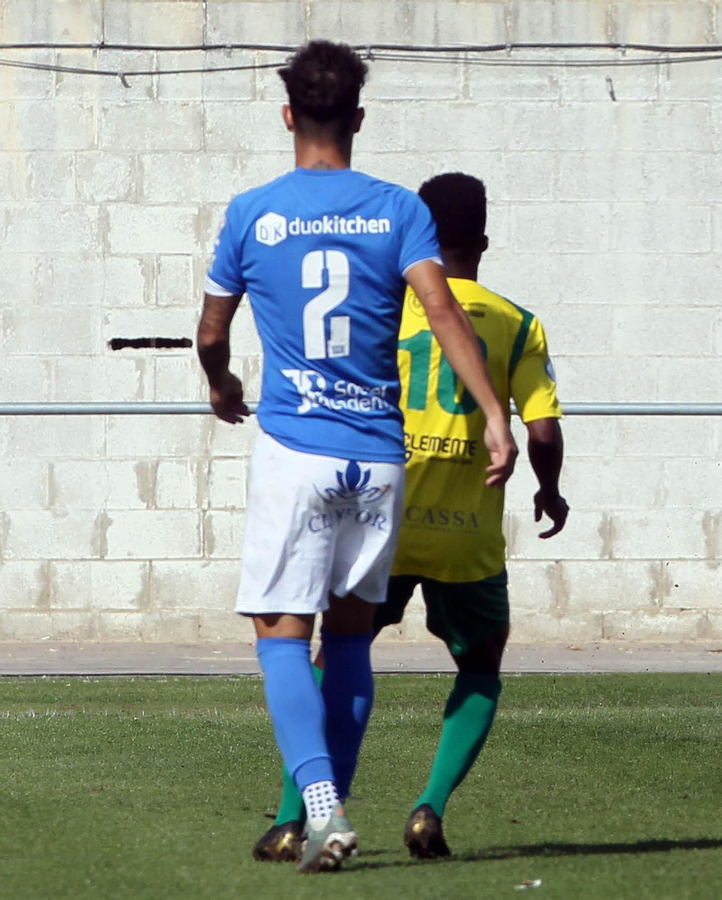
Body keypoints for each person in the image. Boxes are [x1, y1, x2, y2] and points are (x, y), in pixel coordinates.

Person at [199, 41, 515, 873]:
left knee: (278, 635)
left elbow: (210, 332)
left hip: (296, 450)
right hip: (378, 458)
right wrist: (494, 415)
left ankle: (323, 807)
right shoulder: (397, 211)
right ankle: (327, 810)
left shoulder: (251, 212)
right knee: (346, 643)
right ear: (359, 119)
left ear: (288, 115)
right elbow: (444, 312)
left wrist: (222, 382)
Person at [252, 172, 568, 862]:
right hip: (468, 535)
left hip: (383, 519)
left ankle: (290, 819)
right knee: (480, 664)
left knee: (336, 655)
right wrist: (550, 489)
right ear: (483, 241)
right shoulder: (518, 323)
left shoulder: (384, 309)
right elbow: (540, 429)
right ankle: (429, 808)